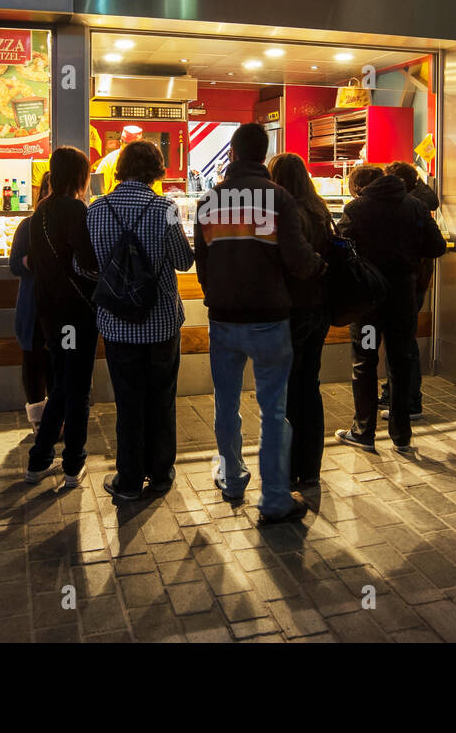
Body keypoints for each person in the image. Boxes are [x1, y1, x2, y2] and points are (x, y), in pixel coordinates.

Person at [193, 123, 324, 524]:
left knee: (226, 404)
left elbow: (203, 267)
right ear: (264, 154)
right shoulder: (278, 199)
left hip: (223, 320)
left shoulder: (209, 201)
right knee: (273, 410)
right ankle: (274, 498)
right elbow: (299, 261)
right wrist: (320, 264)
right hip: (269, 320)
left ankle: (232, 479)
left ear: (232, 153)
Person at [88, 141, 194, 503]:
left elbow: (82, 267)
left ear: (120, 167)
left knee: (128, 402)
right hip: (162, 322)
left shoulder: (96, 209)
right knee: (162, 398)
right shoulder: (165, 207)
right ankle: (161, 474)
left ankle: (129, 480)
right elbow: (183, 261)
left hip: (117, 324)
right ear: (156, 169)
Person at [336, 163, 446, 453]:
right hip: (403, 302)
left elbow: (339, 249)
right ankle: (401, 435)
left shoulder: (356, 209)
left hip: (369, 304)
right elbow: (436, 247)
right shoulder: (416, 207)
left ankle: (364, 431)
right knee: (400, 361)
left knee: (365, 361)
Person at [25, 147, 99, 489]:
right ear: (79, 176)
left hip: (50, 313)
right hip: (75, 313)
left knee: (63, 382)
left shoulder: (40, 211)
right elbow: (88, 261)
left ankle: (40, 461)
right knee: (76, 387)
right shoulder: (74, 209)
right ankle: (70, 464)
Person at [269, 152, 336, 489]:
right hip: (319, 308)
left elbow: (288, 263)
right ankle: (310, 467)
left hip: (292, 310)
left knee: (286, 390)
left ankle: (289, 466)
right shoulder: (320, 210)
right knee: (309, 386)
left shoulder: (284, 213)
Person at [379, 161, 441, 421]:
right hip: (413, 282)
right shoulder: (419, 203)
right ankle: (393, 393)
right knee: (400, 341)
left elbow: (435, 246)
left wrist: (407, 257)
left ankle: (409, 401)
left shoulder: (408, 205)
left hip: (404, 284)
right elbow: (435, 246)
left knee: (400, 343)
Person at [9, 172, 53, 434]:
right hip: (33, 307)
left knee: (57, 365)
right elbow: (15, 264)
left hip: (60, 310)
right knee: (34, 362)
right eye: (49, 189)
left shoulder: (72, 222)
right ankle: (39, 422)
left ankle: (56, 419)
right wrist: (37, 263)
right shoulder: (28, 225)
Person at [93, 125, 163, 196]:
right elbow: (97, 193)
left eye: (134, 146)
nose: (131, 149)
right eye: (128, 144)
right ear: (121, 142)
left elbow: (157, 192)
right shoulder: (108, 161)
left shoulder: (149, 162)